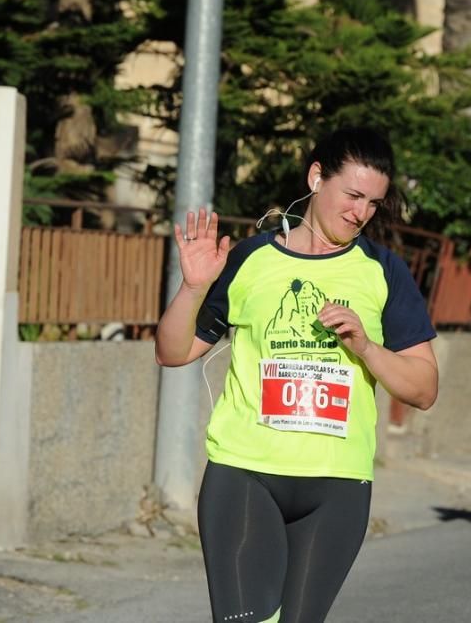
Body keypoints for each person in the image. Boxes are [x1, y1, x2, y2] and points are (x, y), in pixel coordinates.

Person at [155, 127, 439, 623]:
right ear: (315, 177)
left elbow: (424, 389)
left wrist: (367, 347)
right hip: (245, 472)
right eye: (352, 195)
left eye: (373, 203)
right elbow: (173, 352)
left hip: (338, 485)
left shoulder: (383, 271)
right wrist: (192, 288)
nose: (360, 213)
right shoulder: (249, 259)